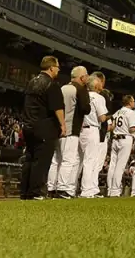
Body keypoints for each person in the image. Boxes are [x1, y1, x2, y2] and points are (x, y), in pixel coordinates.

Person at [19, 56, 65, 200]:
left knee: (29, 159)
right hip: (44, 127)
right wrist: (63, 125)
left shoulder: (32, 82)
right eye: (57, 67)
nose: (58, 70)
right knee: (42, 161)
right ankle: (36, 192)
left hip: (28, 125)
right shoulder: (51, 84)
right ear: (51, 67)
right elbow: (57, 107)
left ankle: (25, 192)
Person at [47, 65, 91, 199]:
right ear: (82, 77)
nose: (87, 78)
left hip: (57, 128)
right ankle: (63, 189)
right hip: (71, 129)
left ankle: (51, 188)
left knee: (56, 160)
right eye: (86, 75)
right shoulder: (80, 89)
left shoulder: (62, 87)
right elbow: (85, 108)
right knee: (69, 160)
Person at [106, 95, 135, 197]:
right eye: (133, 101)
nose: (134, 103)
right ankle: (115, 191)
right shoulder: (131, 113)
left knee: (112, 165)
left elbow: (112, 124)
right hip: (125, 139)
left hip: (115, 138)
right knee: (120, 166)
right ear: (129, 102)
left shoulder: (118, 112)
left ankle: (110, 189)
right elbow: (132, 129)